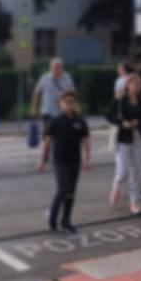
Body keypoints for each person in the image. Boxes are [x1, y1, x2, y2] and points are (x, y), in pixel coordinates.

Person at [38, 90, 91, 235]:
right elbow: (47, 141)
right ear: (61, 104)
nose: (69, 105)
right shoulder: (55, 121)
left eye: (72, 102)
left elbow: (86, 140)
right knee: (63, 189)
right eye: (66, 102)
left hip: (75, 160)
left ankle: (66, 220)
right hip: (60, 161)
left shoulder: (80, 120)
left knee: (71, 193)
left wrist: (87, 159)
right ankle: (53, 216)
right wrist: (42, 160)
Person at [108, 73, 141, 214]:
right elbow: (109, 116)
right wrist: (122, 123)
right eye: (134, 84)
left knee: (138, 170)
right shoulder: (120, 101)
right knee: (123, 172)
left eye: (139, 85)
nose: (136, 87)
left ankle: (134, 201)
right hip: (124, 138)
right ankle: (116, 185)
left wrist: (139, 123)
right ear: (128, 85)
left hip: (138, 137)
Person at [31, 58, 76, 130]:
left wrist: (73, 106)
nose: (57, 69)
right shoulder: (44, 78)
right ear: (51, 68)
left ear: (62, 67)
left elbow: (72, 93)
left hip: (63, 112)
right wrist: (34, 109)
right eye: (55, 67)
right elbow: (36, 93)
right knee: (48, 133)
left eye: (59, 67)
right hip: (48, 111)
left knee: (62, 133)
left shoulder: (67, 78)